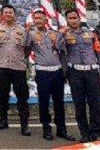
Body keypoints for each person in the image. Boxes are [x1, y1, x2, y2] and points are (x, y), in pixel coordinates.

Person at [26, 9, 76, 141]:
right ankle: (46, 127)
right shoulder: (31, 34)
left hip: (57, 72)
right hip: (42, 72)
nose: (38, 20)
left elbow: (61, 51)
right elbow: (23, 45)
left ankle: (61, 129)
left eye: (40, 18)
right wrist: (26, 30)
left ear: (46, 20)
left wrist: (64, 70)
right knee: (44, 102)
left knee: (59, 102)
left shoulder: (54, 33)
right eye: (36, 18)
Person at [63, 9, 100, 143]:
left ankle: (95, 133)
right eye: (70, 18)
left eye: (75, 17)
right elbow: (59, 49)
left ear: (79, 19)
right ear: (66, 20)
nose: (73, 20)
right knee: (79, 105)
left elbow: (99, 52)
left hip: (91, 73)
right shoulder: (65, 35)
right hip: (75, 73)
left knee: (95, 104)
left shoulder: (91, 34)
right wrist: (63, 34)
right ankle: (84, 133)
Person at [0, 4, 31, 136]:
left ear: (14, 15)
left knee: (22, 97)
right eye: (6, 12)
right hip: (3, 67)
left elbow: (27, 47)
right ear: (2, 14)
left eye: (10, 12)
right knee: (2, 95)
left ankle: (24, 124)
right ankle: (3, 120)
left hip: (18, 68)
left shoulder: (22, 30)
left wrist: (22, 59)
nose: (8, 14)